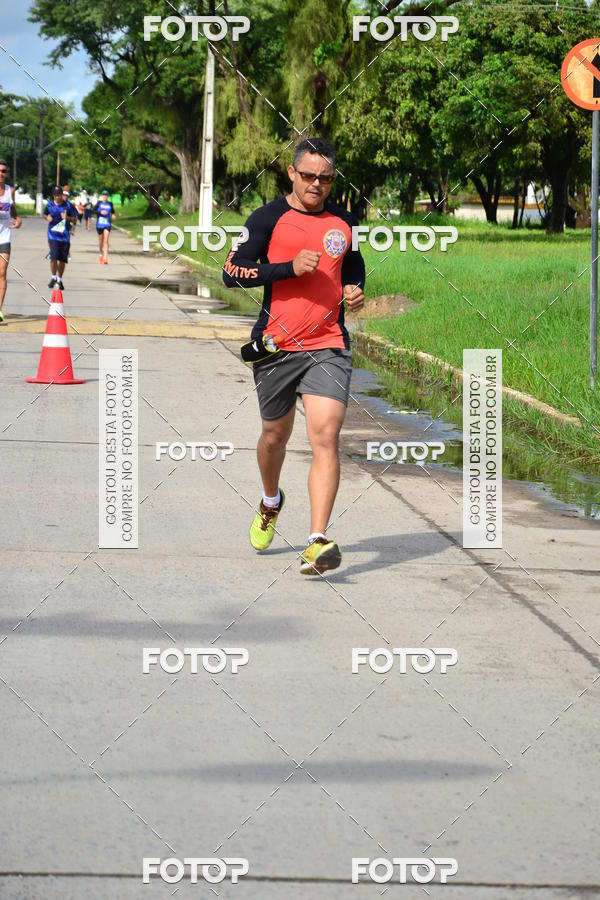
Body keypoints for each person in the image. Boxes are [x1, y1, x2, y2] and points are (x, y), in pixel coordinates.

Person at [222, 137, 365, 576]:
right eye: (308, 176)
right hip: (276, 346)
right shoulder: (267, 218)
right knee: (274, 437)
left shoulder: (344, 219)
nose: (316, 185)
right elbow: (231, 273)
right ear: (291, 172)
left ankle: (317, 541)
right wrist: (285, 269)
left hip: (327, 342)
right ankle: (270, 501)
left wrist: (355, 289)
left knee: (325, 434)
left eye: (324, 178)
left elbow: (354, 263)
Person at [0, 158, 21, 323]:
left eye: (4, 171)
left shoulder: (9, 191)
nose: (1, 173)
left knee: (2, 273)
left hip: (5, 237)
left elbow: (12, 209)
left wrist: (18, 218)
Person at [45, 186, 77, 290]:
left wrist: (67, 218)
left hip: (64, 237)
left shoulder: (68, 205)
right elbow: (45, 214)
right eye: (55, 195)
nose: (57, 197)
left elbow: (75, 218)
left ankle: (59, 279)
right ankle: (53, 277)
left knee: (62, 260)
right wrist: (47, 218)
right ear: (53, 195)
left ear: (62, 195)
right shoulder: (49, 204)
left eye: (59, 195)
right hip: (52, 235)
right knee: (53, 257)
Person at [94, 189, 115, 264]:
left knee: (106, 241)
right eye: (104, 195)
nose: (105, 196)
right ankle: (100, 253)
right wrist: (100, 212)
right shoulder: (99, 203)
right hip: (99, 224)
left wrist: (113, 215)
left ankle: (105, 257)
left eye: (106, 195)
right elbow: (93, 210)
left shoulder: (110, 204)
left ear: (107, 196)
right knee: (101, 241)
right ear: (102, 196)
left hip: (107, 224)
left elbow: (113, 211)